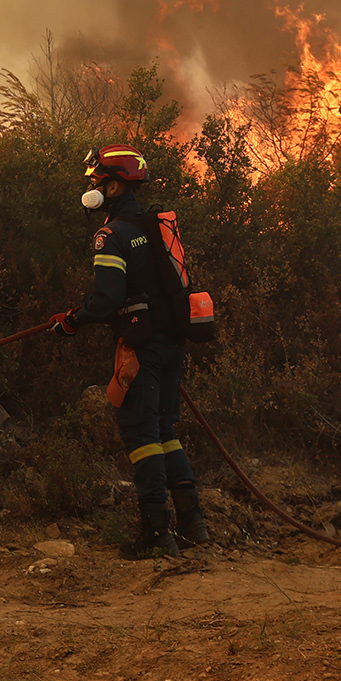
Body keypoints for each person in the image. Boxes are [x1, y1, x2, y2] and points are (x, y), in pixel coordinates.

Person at [50, 143, 209, 558]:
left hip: (142, 348)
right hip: (172, 343)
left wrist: (72, 321)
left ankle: (158, 537)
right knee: (165, 433)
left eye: (97, 181)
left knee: (142, 436)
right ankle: (194, 526)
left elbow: (106, 301)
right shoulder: (156, 226)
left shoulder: (112, 234)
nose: (92, 189)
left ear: (116, 185)